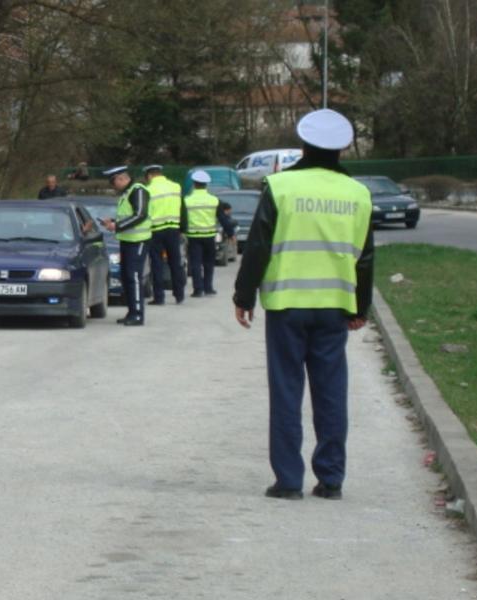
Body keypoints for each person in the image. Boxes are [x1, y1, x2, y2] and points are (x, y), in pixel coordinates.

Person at [233, 108, 375, 501]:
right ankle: (331, 480)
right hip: (333, 306)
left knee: (286, 390)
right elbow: (364, 257)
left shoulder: (280, 187)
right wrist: (360, 307)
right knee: (331, 392)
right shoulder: (358, 194)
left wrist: (243, 296)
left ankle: (288, 481)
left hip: (287, 304)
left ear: (304, 146)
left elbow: (258, 247)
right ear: (342, 149)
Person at [99, 166, 151, 326]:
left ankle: (137, 314)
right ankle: (131, 311)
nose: (113, 186)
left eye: (113, 182)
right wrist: (114, 223)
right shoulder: (126, 193)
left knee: (134, 276)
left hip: (138, 240)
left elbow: (140, 214)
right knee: (126, 276)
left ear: (122, 178)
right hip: (127, 240)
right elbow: (127, 217)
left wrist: (117, 226)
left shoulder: (138, 190)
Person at [144, 165, 186, 304]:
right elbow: (182, 208)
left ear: (149, 176)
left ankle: (159, 297)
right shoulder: (176, 187)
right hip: (173, 229)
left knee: (157, 264)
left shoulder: (148, 190)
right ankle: (179, 295)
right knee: (175, 262)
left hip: (155, 230)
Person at [183, 170, 219, 297]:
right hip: (210, 236)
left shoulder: (187, 200)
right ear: (206, 185)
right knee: (209, 263)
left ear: (194, 184)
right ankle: (208, 288)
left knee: (196, 264)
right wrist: (231, 232)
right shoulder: (214, 200)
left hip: (194, 236)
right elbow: (222, 217)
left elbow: (183, 219)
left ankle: (198, 290)